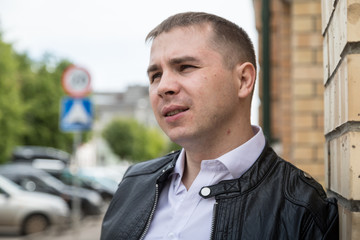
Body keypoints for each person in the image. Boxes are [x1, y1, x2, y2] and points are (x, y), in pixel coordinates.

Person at [101, 12, 339, 240]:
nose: (163, 87)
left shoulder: (302, 207)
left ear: (243, 80)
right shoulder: (134, 183)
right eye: (155, 75)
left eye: (185, 67)